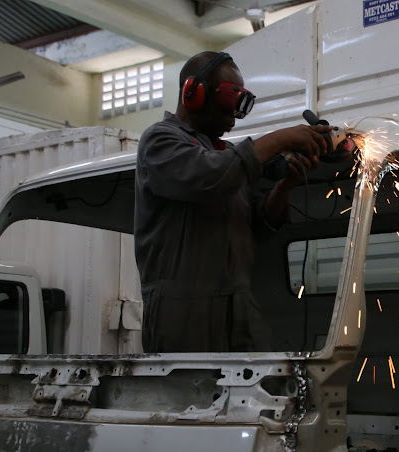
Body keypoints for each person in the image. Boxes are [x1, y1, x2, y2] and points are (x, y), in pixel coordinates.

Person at [134, 51, 331, 353]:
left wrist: (286, 184)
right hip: (183, 315)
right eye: (229, 100)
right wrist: (282, 139)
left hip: (238, 311)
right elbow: (211, 177)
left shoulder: (226, 157)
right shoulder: (160, 142)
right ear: (193, 93)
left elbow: (262, 225)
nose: (233, 118)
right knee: (190, 395)